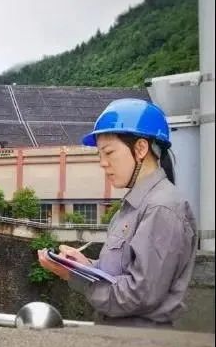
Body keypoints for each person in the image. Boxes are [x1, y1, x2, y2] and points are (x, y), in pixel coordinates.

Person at [37, 98, 198, 328]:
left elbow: (139, 295)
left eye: (109, 152)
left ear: (141, 149)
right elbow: (118, 274)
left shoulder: (161, 208)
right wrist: (84, 265)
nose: (102, 163)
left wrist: (75, 277)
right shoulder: (133, 206)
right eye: (99, 155)